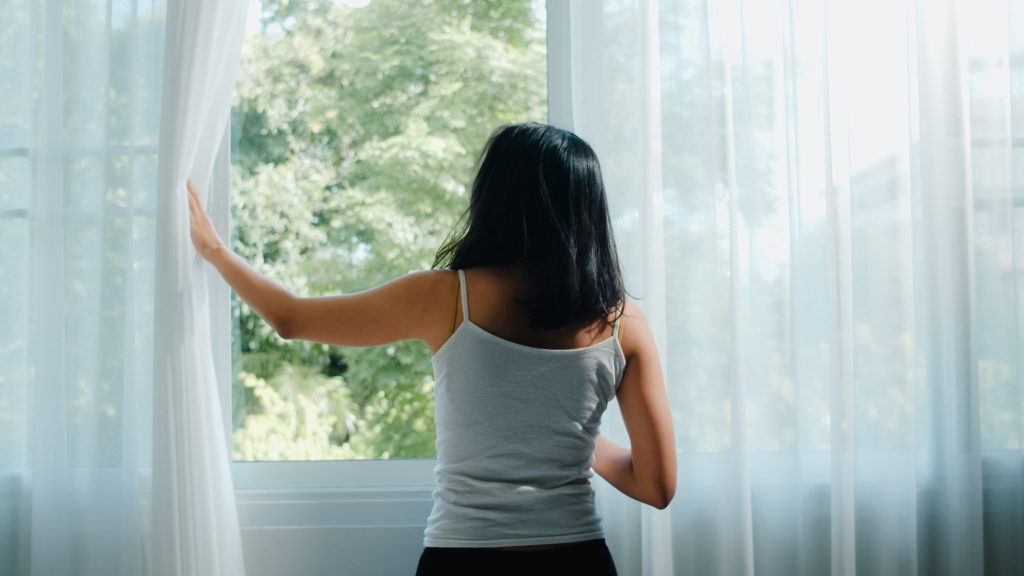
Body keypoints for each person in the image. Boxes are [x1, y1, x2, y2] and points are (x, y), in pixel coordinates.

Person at [188, 122, 676, 575]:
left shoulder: (446, 298)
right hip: (578, 559)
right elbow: (657, 487)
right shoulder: (622, 323)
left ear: (495, 198)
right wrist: (579, 440)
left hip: (464, 559)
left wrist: (214, 250)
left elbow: (291, 318)